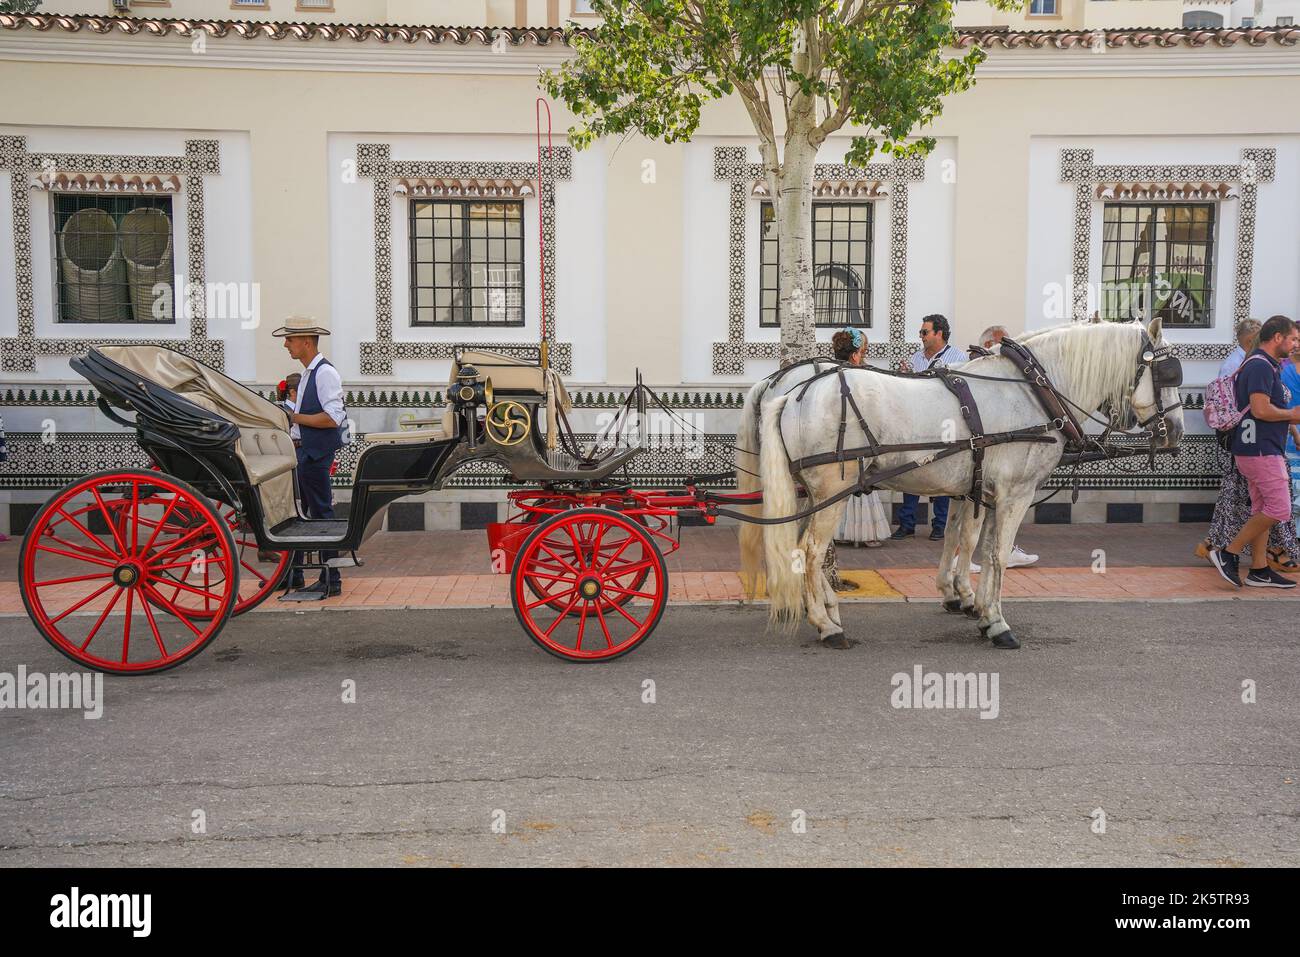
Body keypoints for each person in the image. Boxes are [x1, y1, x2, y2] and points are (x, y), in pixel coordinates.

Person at [1199, 321, 1300, 575]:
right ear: (1278, 337)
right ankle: (1228, 553)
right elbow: (1260, 409)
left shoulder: (1263, 364)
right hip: (1261, 450)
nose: (1296, 344)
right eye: (1293, 338)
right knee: (1280, 509)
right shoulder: (1259, 366)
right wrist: (1292, 415)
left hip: (1259, 449)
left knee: (1262, 509)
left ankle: (1259, 569)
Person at [274, 315, 347, 597]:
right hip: (307, 451)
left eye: (290, 339)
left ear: (306, 341)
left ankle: (332, 578)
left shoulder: (325, 373)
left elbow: (333, 418)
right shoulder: (309, 373)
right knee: (307, 515)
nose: (285, 345)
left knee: (321, 515)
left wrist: (294, 417)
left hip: (315, 453)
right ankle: (298, 574)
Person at [964, 324, 1040, 571]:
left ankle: (1001, 550)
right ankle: (964, 558)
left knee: (992, 509)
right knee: (977, 510)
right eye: (1003, 343)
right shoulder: (985, 371)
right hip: (984, 455)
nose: (1009, 349)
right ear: (989, 345)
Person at [892, 314, 965, 541]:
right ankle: (907, 524)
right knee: (910, 470)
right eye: (921, 332)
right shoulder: (916, 358)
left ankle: (939, 525)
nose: (921, 336)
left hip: (944, 424)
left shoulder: (958, 357)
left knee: (942, 474)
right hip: (916, 422)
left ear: (939, 334)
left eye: (925, 332)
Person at [830, 328, 890, 549]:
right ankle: (863, 533)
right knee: (862, 485)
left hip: (838, 442)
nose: (864, 357)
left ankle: (841, 531)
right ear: (855, 355)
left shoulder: (832, 376)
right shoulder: (863, 379)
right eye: (863, 352)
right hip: (861, 441)